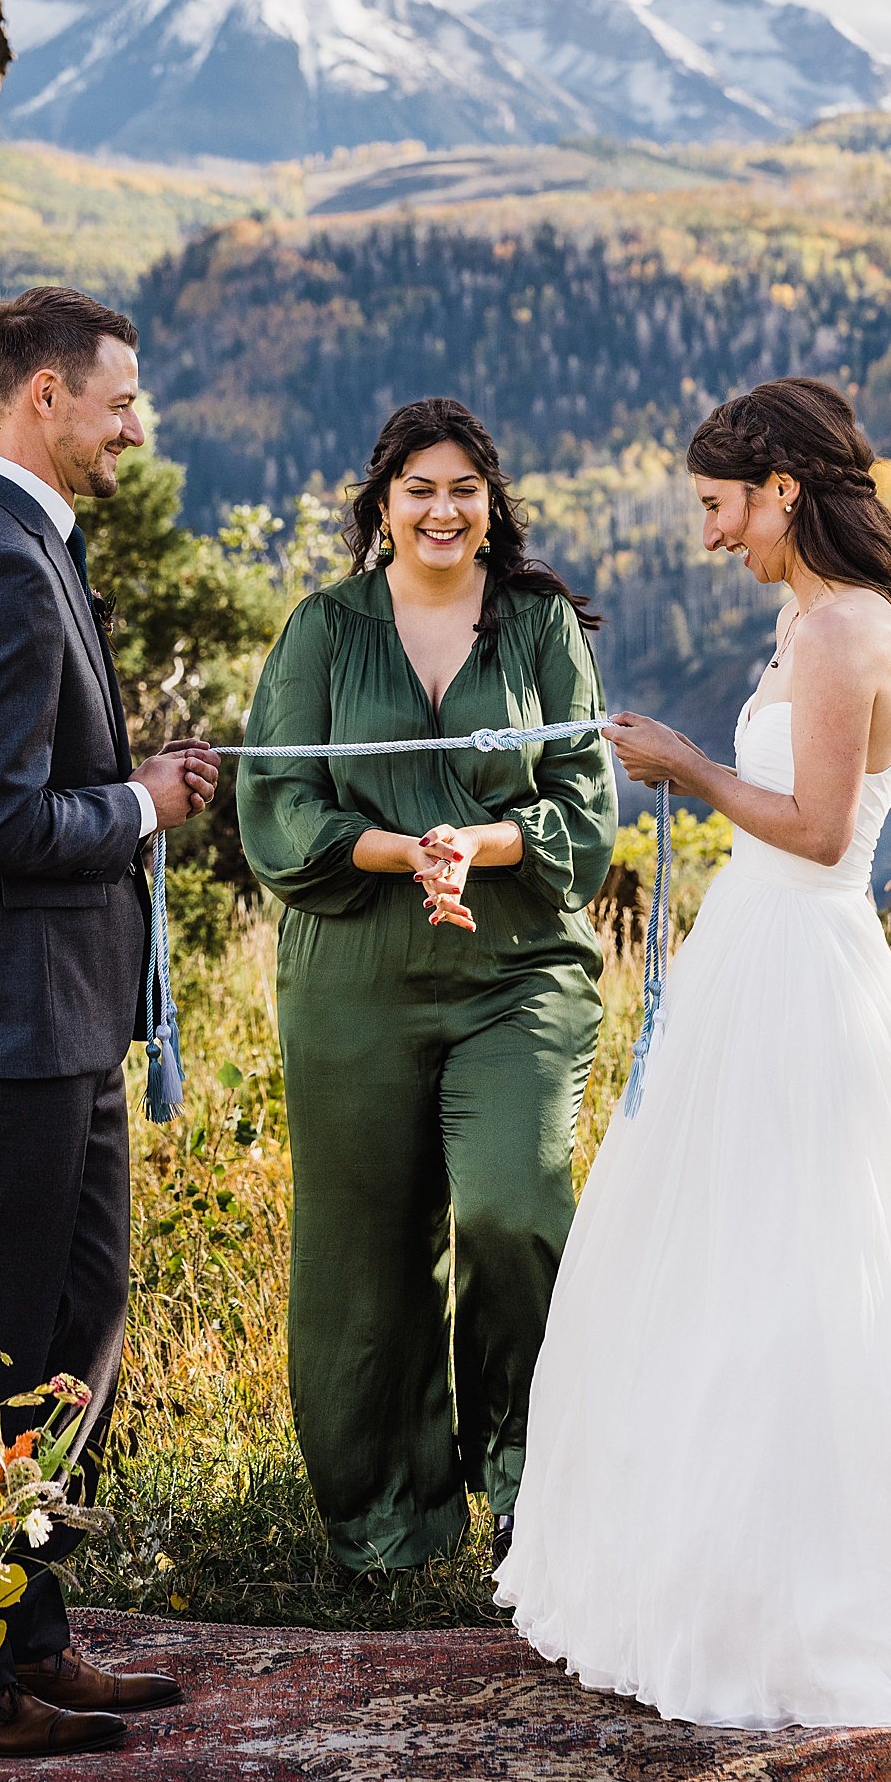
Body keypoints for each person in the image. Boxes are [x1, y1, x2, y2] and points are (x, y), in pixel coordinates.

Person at [497, 377, 891, 1728]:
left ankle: (827, 1596)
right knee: (717, 1258)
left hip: (805, 969)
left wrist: (686, 768)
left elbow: (826, 830)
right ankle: (709, 1568)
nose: (712, 535)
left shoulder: (843, 632)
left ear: (779, 487)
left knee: (804, 1265)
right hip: (752, 957)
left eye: (719, 507)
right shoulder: (808, 614)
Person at [0, 286, 220, 1758]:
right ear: (42, 402)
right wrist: (148, 801)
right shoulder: (2, 567)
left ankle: (28, 1630)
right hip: (6, 1018)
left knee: (74, 1331)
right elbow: (5, 823)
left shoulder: (18, 543)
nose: (137, 424)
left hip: (57, 1020)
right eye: (119, 399)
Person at [236, 396, 617, 1575]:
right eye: (420, 488)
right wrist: (399, 851)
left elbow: (588, 809)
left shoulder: (542, 626)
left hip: (518, 971)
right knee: (367, 1247)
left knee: (514, 1203)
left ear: (490, 507)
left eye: (464, 489)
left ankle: (530, 1483)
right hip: (355, 978)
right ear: (383, 505)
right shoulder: (321, 629)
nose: (443, 509)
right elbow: (279, 807)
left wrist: (481, 844)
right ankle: (391, 1520)